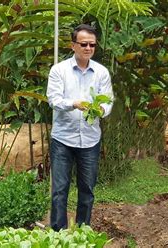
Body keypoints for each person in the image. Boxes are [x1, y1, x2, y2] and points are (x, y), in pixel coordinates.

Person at [46, 24, 113, 231]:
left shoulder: (101, 72)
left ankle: (83, 232)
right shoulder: (59, 70)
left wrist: (101, 110)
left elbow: (108, 101)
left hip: (90, 140)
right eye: (83, 44)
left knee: (87, 189)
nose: (88, 48)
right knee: (59, 189)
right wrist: (73, 103)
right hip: (63, 139)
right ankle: (58, 234)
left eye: (92, 44)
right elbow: (53, 100)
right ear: (73, 45)